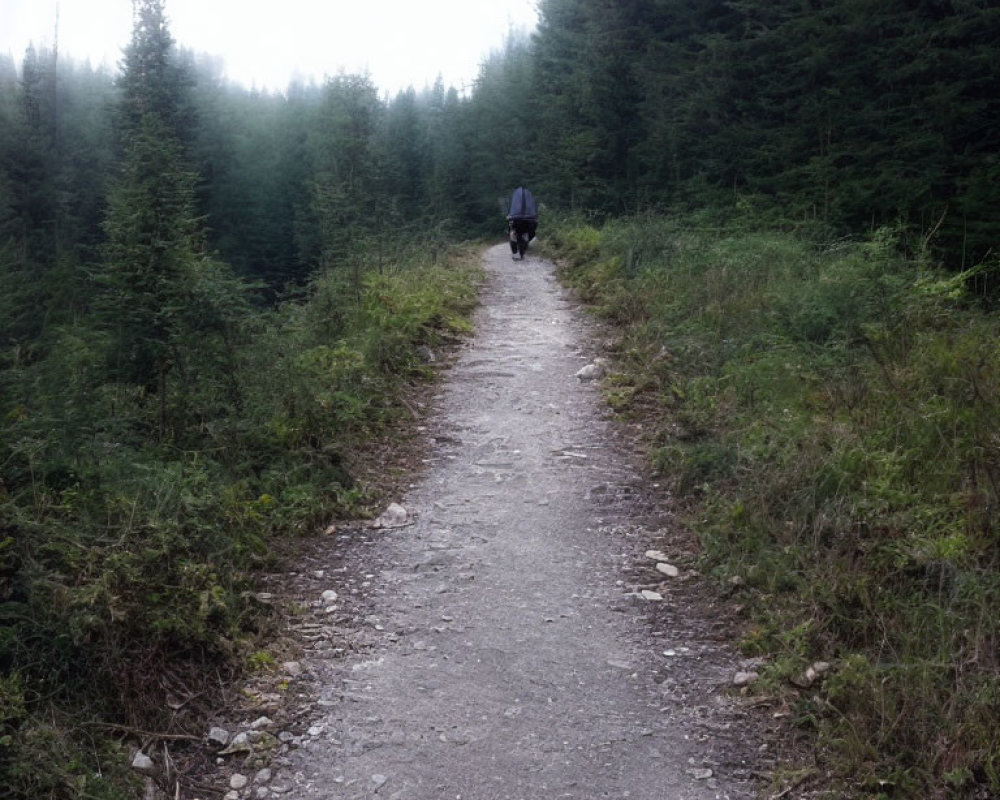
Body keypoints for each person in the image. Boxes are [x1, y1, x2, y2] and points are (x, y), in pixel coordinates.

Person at [506, 186, 538, 259]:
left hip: (524, 221)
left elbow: (533, 209)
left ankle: (519, 252)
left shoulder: (527, 200)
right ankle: (516, 253)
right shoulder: (517, 201)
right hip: (519, 221)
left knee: (530, 232)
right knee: (511, 233)